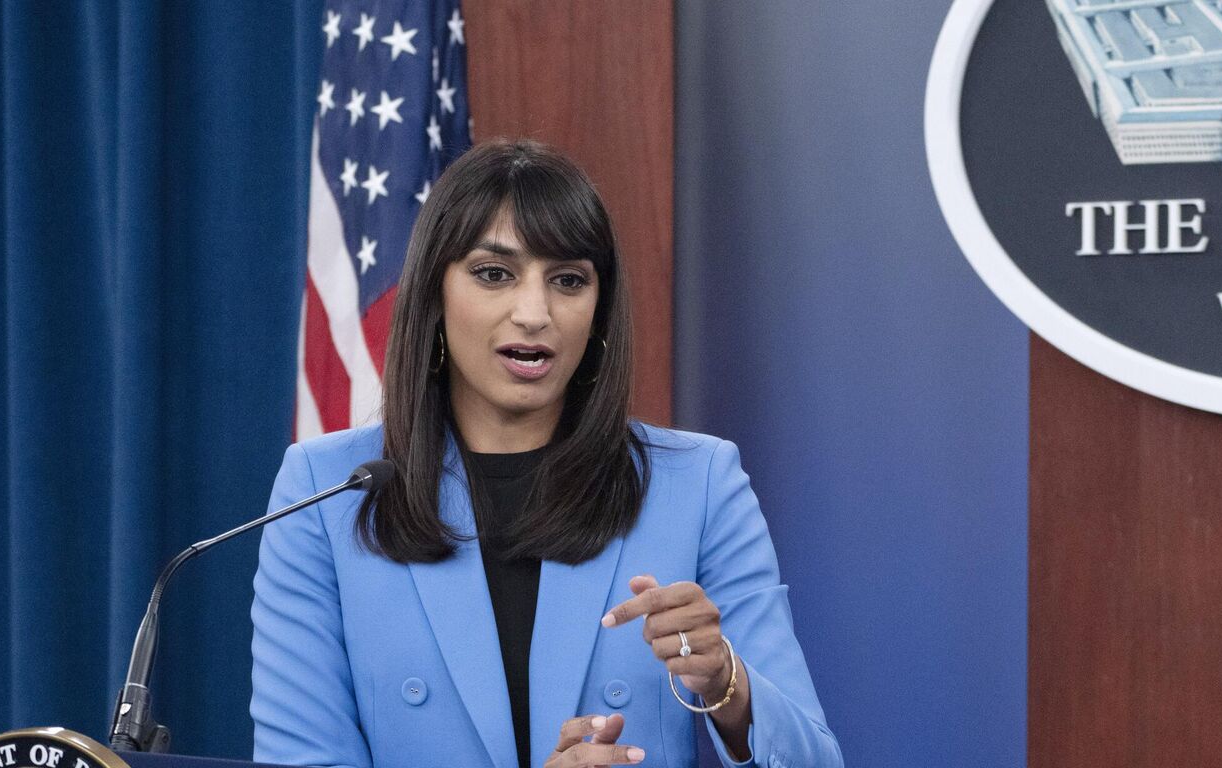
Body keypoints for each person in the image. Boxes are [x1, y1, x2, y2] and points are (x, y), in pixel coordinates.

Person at [250, 139, 843, 768]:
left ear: (599, 311)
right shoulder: (325, 490)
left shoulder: (699, 483)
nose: (534, 313)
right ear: (433, 295)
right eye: (494, 273)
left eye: (567, 280)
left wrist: (728, 682)